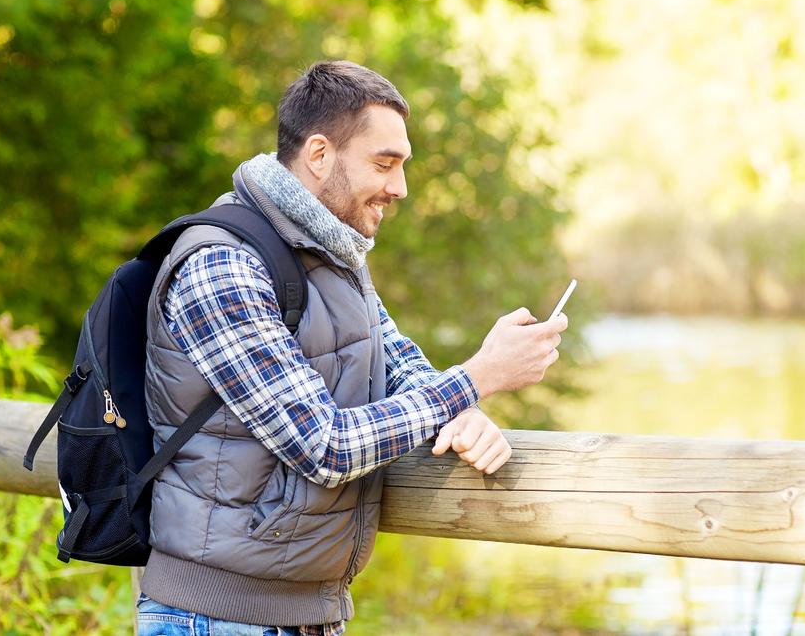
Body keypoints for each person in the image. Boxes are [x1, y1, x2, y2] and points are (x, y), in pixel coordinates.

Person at [137, 60, 569, 636]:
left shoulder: (334, 254)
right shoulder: (223, 264)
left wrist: (464, 416)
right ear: (319, 155)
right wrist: (473, 380)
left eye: (402, 165)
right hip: (215, 617)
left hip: (309, 613)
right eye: (384, 164)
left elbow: (401, 365)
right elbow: (325, 445)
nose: (400, 187)